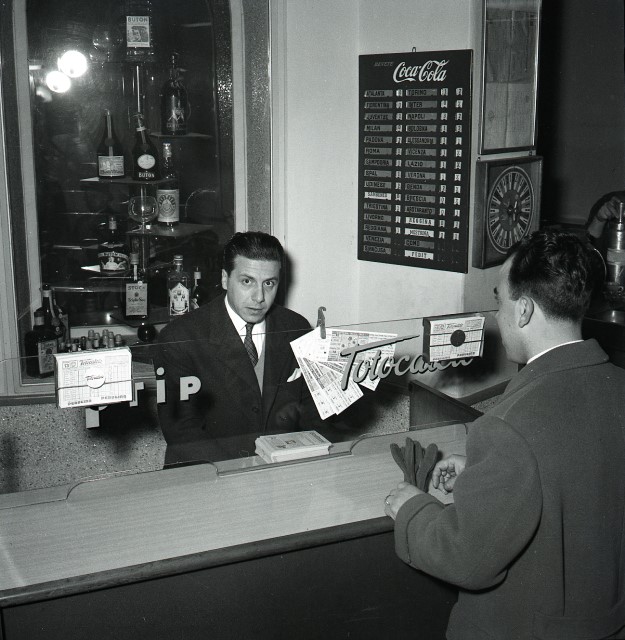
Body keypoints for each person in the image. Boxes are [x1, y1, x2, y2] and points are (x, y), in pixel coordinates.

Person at [385, 230, 625, 639]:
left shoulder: (508, 425)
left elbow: (466, 558)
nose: (498, 316)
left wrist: (412, 508)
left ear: (525, 310)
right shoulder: (618, 384)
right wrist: (485, 470)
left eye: (500, 302)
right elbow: (578, 474)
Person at [153, 231, 322, 465]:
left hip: (281, 472)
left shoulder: (296, 328)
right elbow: (182, 432)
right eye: (247, 281)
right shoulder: (179, 337)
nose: (259, 297)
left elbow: (311, 414)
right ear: (225, 279)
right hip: (207, 475)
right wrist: (242, 475)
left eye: (269, 283)